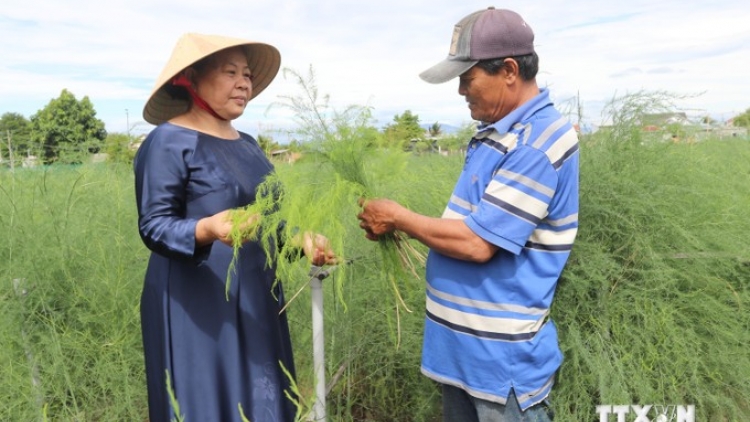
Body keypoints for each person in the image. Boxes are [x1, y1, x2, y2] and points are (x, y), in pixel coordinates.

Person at [357, 8, 579, 422]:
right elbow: (472, 226)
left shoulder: (534, 143)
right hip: (467, 357)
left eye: (468, 77)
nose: (461, 90)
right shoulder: (500, 133)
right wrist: (403, 227)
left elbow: (478, 244)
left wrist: (402, 218)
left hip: (501, 366)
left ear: (509, 70)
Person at [134, 33, 335, 422]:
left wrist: (300, 240)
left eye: (246, 74)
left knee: (263, 394)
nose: (244, 83)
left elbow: (271, 221)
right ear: (190, 78)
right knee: (206, 400)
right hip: (197, 297)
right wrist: (207, 229)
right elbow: (154, 225)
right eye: (230, 72)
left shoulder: (249, 145)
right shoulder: (168, 142)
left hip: (257, 292)